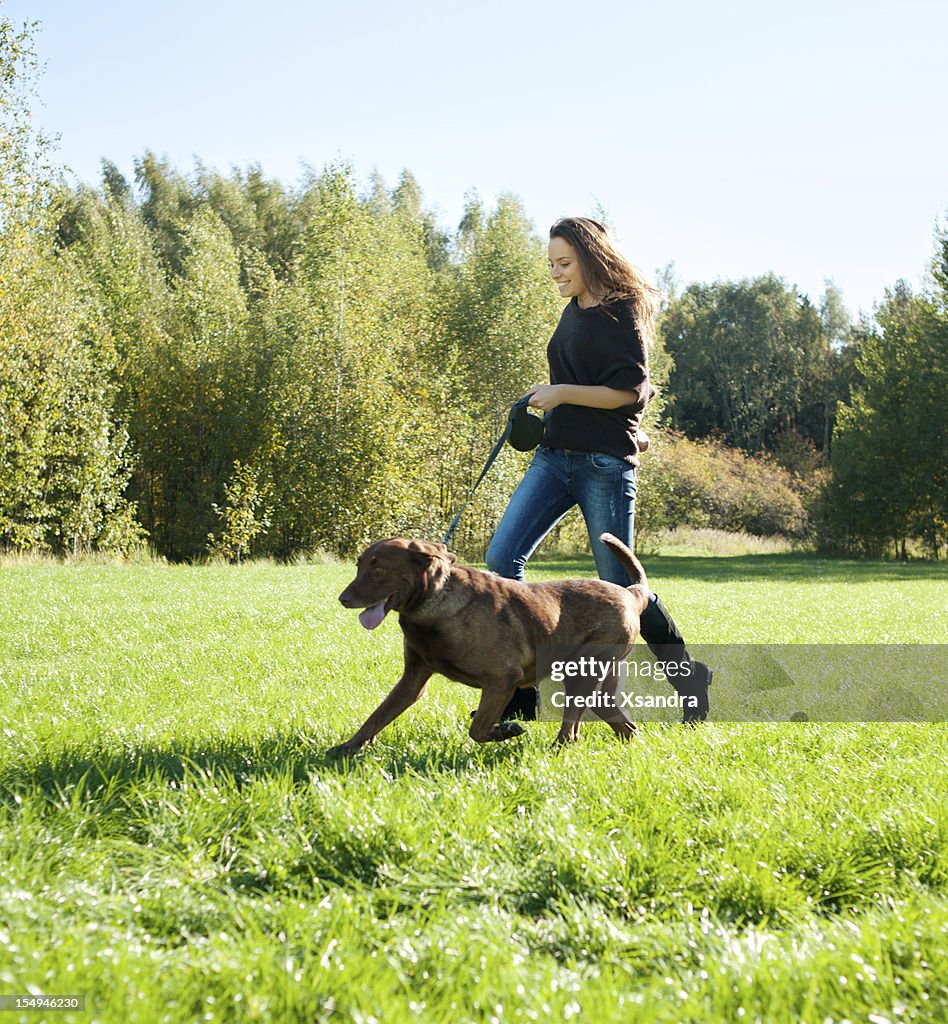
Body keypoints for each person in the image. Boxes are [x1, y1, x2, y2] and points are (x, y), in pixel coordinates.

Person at [484, 216, 711, 725]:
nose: (556, 273)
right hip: (553, 455)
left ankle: (687, 677)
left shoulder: (621, 312)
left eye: (564, 263)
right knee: (502, 559)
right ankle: (520, 699)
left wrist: (562, 394)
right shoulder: (574, 309)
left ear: (590, 258)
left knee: (620, 587)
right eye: (551, 265)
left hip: (602, 466)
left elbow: (630, 391)